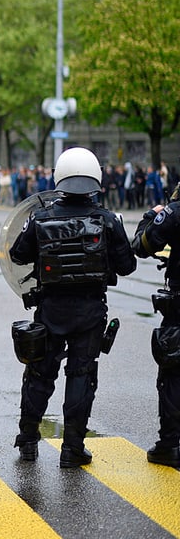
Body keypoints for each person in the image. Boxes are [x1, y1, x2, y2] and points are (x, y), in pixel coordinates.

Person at [8, 147, 136, 468]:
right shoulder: (107, 220)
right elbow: (127, 266)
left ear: (59, 177)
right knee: (81, 376)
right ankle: (72, 448)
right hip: (91, 313)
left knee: (39, 375)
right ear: (97, 178)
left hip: (50, 310)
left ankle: (27, 440)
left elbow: (17, 255)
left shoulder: (40, 218)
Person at [129, 186, 180, 467]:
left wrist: (152, 215)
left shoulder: (175, 211)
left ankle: (169, 444)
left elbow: (142, 246)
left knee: (173, 372)